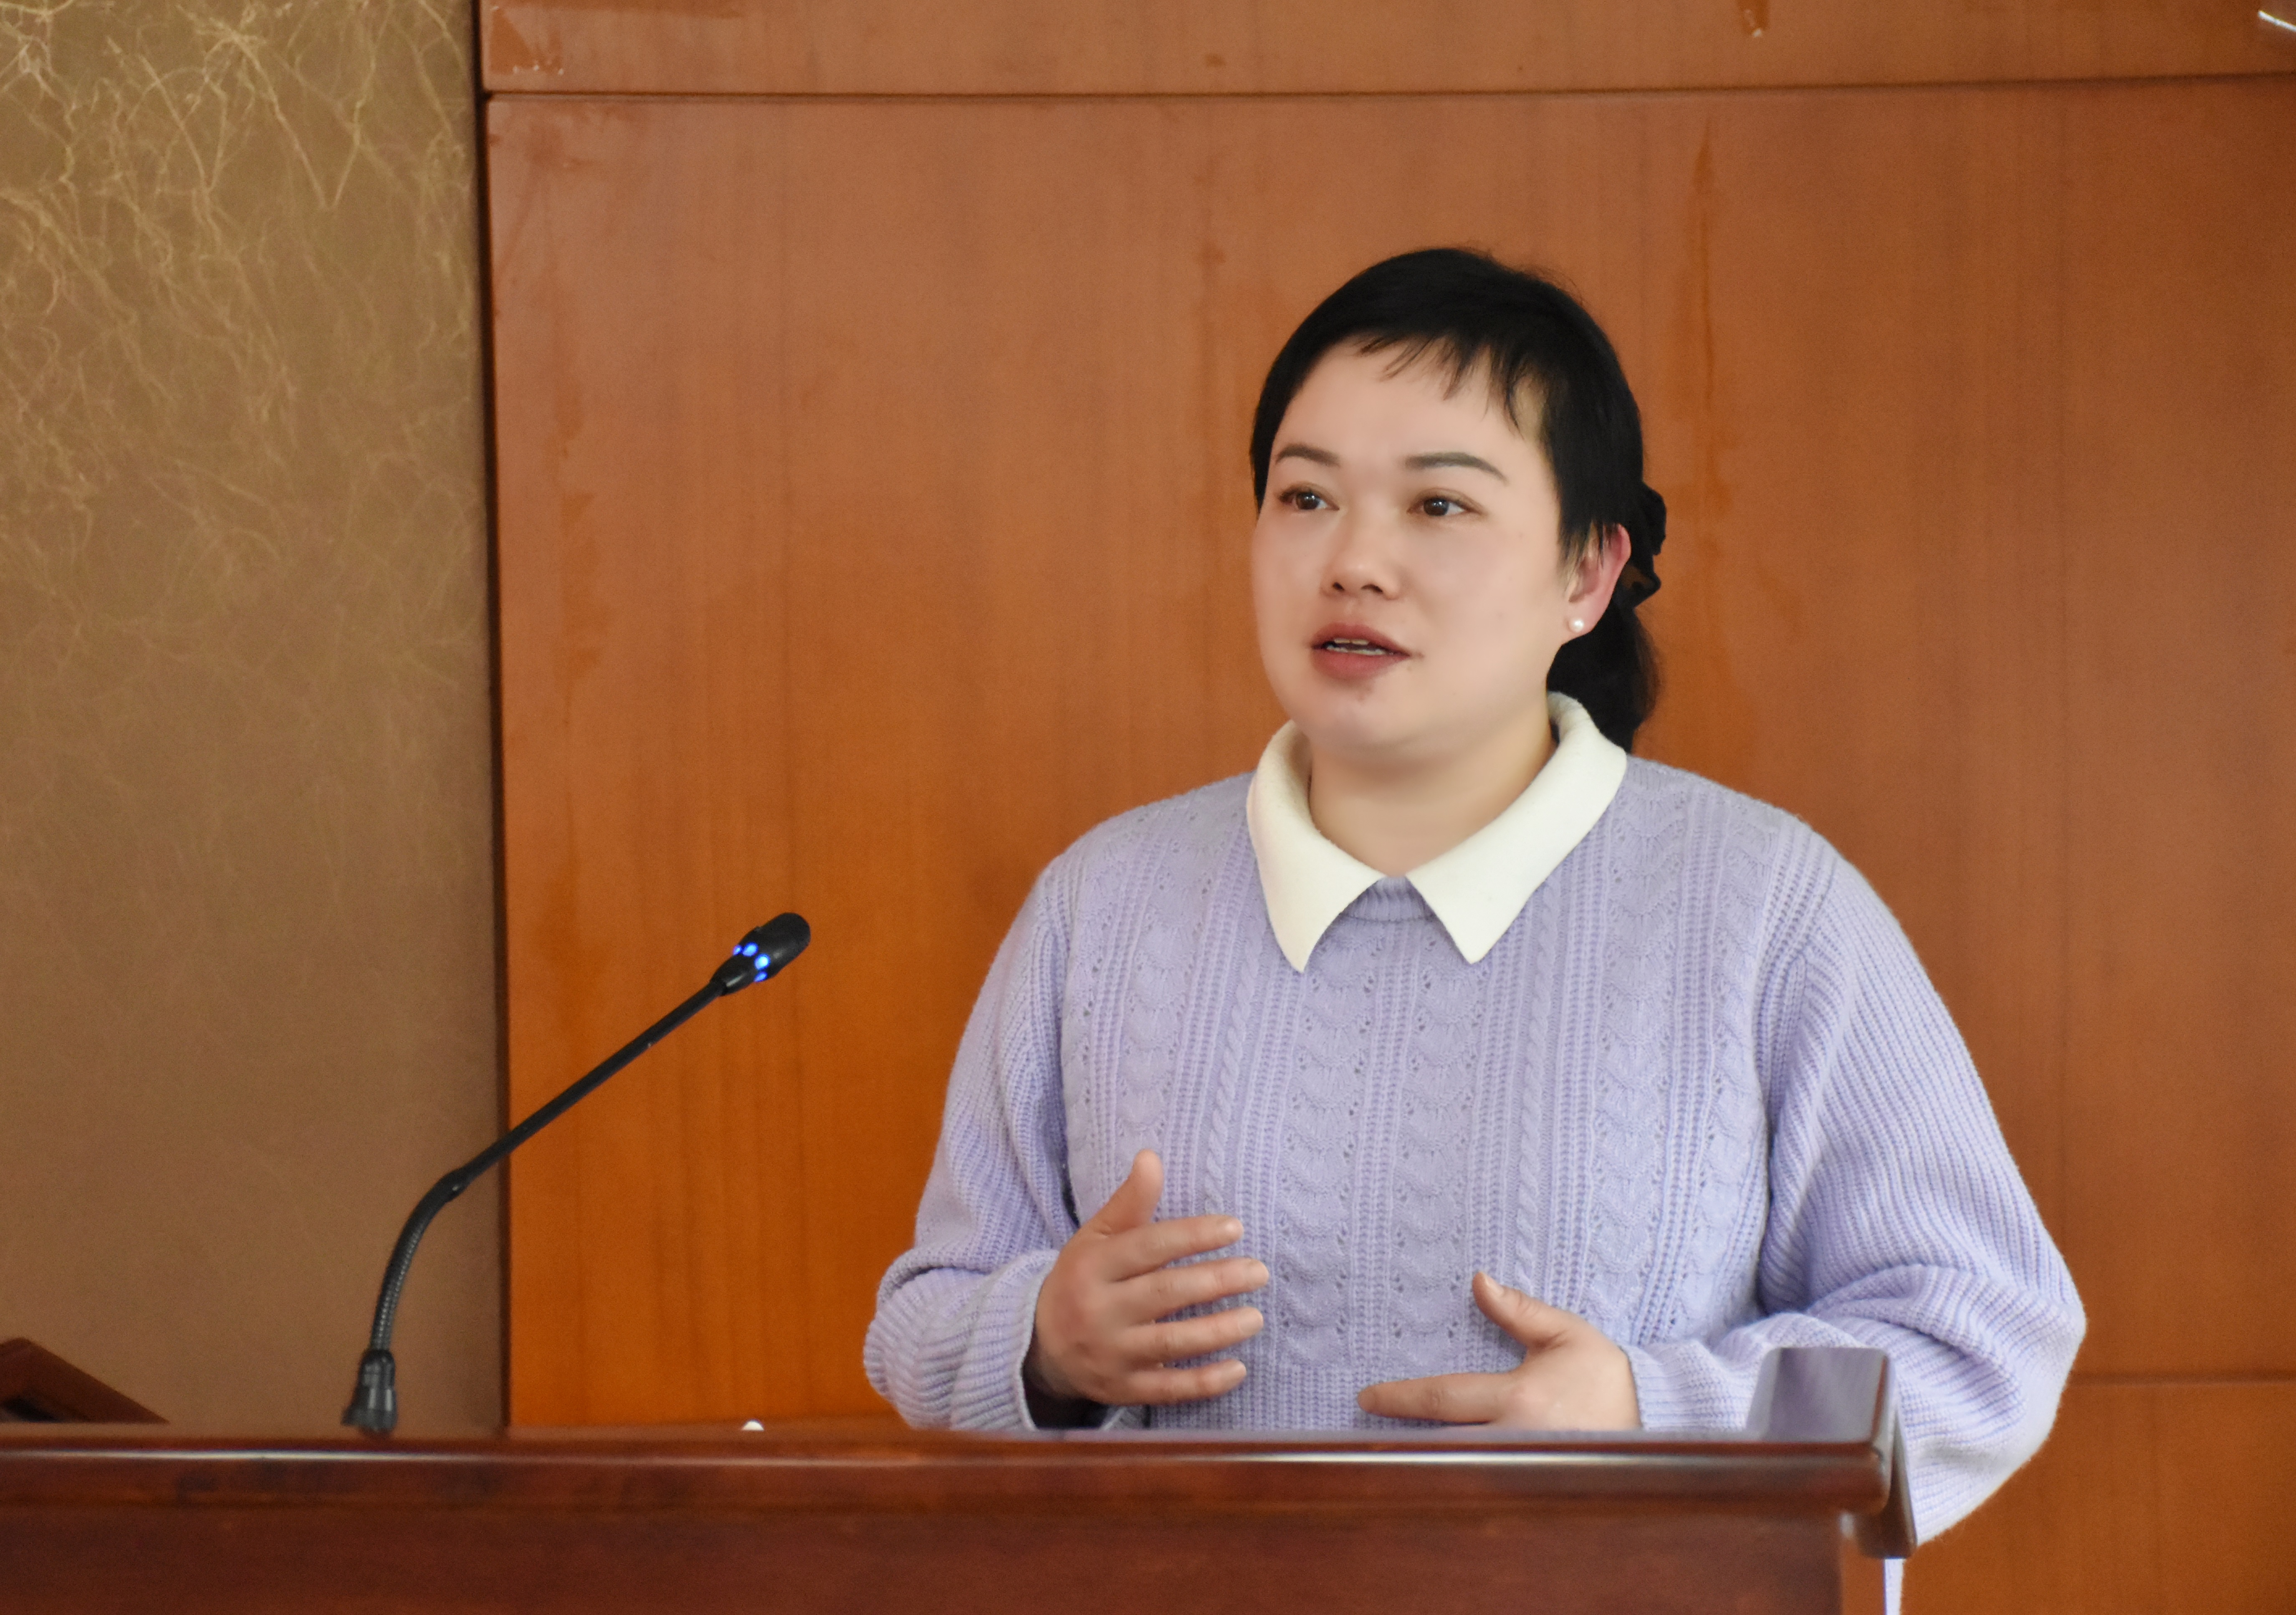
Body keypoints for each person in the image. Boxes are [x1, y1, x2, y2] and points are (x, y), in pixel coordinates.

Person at [864, 248, 2083, 1549]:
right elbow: (924, 1317)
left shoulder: (1764, 909)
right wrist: (1043, 1345)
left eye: (1437, 505)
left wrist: (1654, 1412)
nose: (1354, 561)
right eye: (1304, 497)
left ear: (1586, 576)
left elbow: (1979, 1342)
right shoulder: (1102, 907)